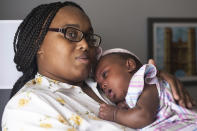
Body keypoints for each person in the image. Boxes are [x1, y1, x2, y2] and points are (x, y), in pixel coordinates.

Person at [1, 1, 195, 131]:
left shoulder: (102, 80)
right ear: (38, 43)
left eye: (88, 36)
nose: (85, 44)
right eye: (71, 33)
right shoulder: (27, 108)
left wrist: (160, 79)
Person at [95, 48, 197, 130]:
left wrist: (115, 114)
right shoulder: (133, 93)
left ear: (130, 65)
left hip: (186, 123)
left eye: (105, 74)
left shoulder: (146, 83)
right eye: (99, 86)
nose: (103, 86)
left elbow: (144, 116)